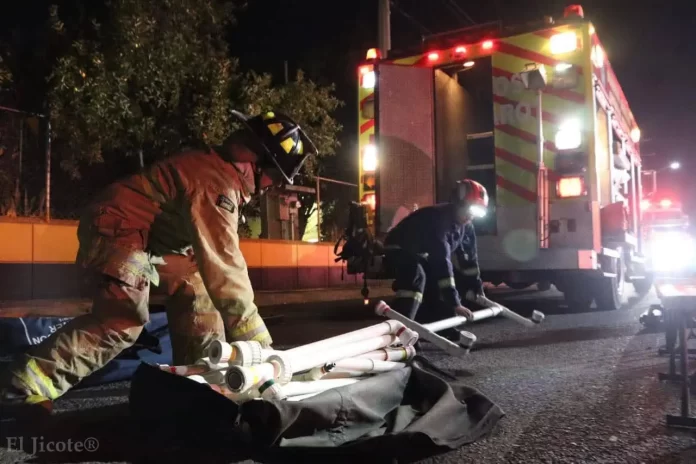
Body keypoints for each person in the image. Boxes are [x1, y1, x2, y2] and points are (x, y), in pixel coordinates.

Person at [0, 110, 318, 416]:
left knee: (197, 289)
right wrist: (261, 345)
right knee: (122, 322)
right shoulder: (216, 184)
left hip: (146, 241)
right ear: (253, 158)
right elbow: (225, 268)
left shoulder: (216, 172)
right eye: (275, 176)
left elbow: (209, 265)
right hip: (120, 231)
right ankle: (23, 385)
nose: (271, 186)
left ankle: (199, 388)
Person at [383, 179, 489, 326]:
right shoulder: (440, 221)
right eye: (469, 210)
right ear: (458, 204)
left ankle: (444, 328)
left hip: (420, 253)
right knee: (417, 278)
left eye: (476, 212)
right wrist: (455, 304)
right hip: (398, 247)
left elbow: (469, 260)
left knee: (451, 281)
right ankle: (400, 328)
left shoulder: (466, 227)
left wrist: (476, 286)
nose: (470, 217)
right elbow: (442, 263)